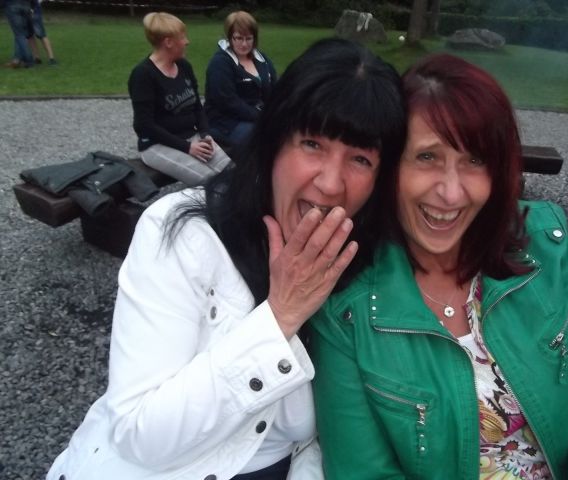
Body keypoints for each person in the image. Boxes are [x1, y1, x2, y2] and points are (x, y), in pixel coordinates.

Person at [46, 37, 406, 480]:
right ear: (274, 142)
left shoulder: (363, 260)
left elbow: (324, 433)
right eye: (312, 144)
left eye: (360, 159)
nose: (331, 183)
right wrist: (280, 316)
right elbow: (139, 434)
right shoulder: (182, 234)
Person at [311, 53, 568, 479]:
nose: (451, 193)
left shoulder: (544, 241)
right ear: (391, 167)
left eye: (474, 160)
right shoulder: (346, 307)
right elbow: (364, 472)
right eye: (427, 157)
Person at [128, 12, 231, 187]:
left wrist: (205, 134)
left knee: (233, 172)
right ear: (168, 42)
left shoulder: (184, 66)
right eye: (182, 37)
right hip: (157, 145)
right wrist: (187, 147)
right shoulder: (143, 75)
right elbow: (144, 126)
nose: (187, 41)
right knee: (211, 182)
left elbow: (197, 106)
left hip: (192, 137)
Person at [204, 10, 277, 155]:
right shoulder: (220, 63)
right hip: (226, 122)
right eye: (238, 38)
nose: (244, 44)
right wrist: (262, 117)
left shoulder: (261, 58)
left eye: (249, 38)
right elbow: (227, 102)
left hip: (257, 116)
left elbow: (274, 88)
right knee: (263, 139)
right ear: (229, 37)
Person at [4, 0, 35, 68]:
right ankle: (17, 59)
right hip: (26, 5)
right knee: (21, 33)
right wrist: (32, 6)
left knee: (19, 34)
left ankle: (29, 60)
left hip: (12, 5)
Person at [26, 0, 57, 65]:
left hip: (33, 9)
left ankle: (51, 58)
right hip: (26, 9)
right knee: (29, 36)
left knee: (41, 34)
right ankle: (37, 58)